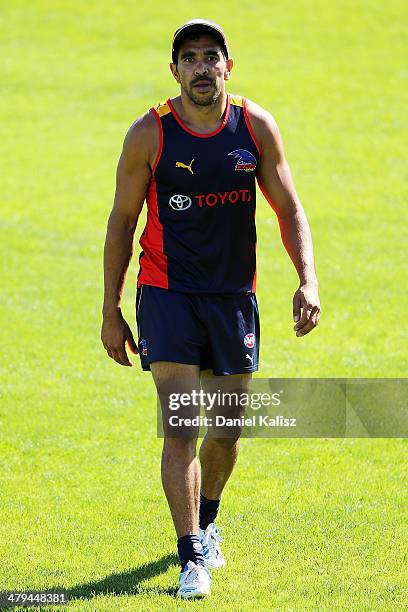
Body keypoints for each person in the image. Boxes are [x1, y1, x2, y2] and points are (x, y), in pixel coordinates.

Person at [101, 18, 321, 599]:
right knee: (181, 427)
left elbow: (289, 207)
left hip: (232, 299)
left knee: (225, 430)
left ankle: (209, 521)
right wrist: (110, 308)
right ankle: (191, 554)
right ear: (174, 70)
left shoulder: (254, 127)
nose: (201, 67)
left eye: (211, 56)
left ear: (229, 65)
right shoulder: (150, 133)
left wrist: (308, 280)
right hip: (167, 295)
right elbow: (123, 222)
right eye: (189, 58)